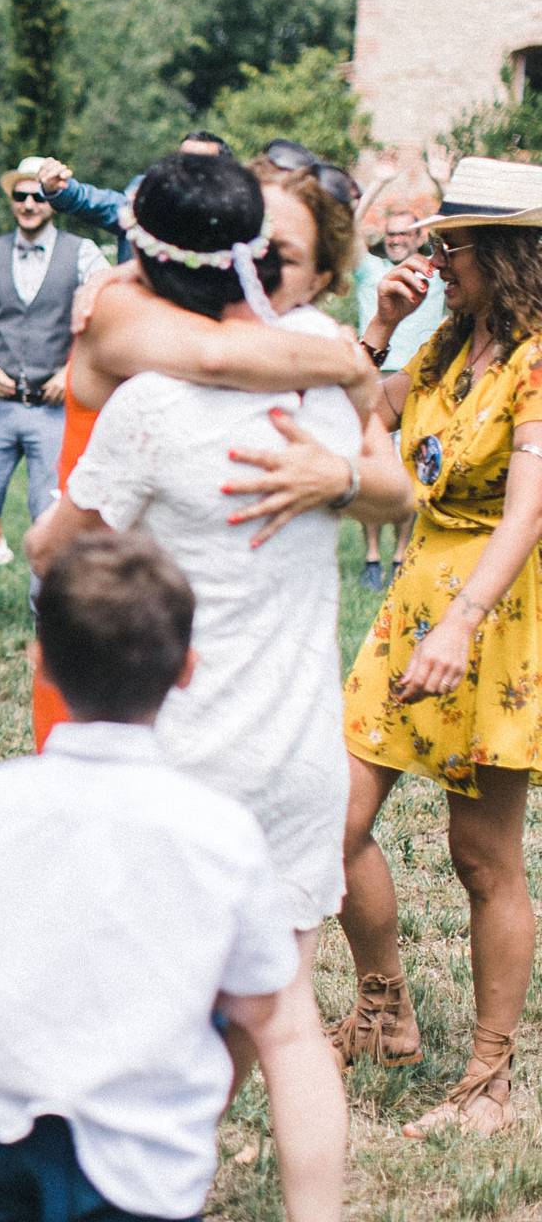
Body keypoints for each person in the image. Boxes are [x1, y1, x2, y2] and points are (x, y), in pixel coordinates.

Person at [28, 152, 414, 1217]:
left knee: (144, 1006)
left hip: (177, 753)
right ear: (250, 261)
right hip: (296, 757)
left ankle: (131, 1189)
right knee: (281, 1017)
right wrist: (341, 436)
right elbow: (392, 480)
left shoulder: (151, 405)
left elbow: (50, 546)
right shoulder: (324, 373)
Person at [0, 531, 313, 1222]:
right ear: (187, 669)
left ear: (41, 664)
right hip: (151, 1158)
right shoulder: (222, 832)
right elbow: (261, 1002)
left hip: (10, 1135)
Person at [333, 157, 542, 1138]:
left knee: (479, 857)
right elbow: (364, 421)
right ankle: (384, 1012)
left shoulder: (536, 359)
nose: (429, 257)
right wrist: (378, 323)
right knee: (327, 819)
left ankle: (489, 1081)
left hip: (491, 611)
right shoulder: (443, 345)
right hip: (412, 595)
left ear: (496, 252)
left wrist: (462, 622)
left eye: (444, 244)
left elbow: (526, 513)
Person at [0, 158, 109, 628]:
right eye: (21, 196)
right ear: (11, 202)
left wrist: (72, 372)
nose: (30, 204)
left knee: (49, 512)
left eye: (38, 195)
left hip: (53, 406)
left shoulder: (83, 251)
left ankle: (47, 612)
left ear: (52, 201)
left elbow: (107, 317)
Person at [352, 206, 444, 588]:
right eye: (390, 233)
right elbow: (349, 231)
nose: (396, 239)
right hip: (375, 382)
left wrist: (440, 181)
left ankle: (400, 554)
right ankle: (372, 556)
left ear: (419, 237)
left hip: (418, 385)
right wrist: (378, 184)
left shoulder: (436, 276)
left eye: (404, 233)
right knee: (370, 472)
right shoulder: (372, 272)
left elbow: (455, 232)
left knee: (410, 476)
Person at [36, 131, 233, 258]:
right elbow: (95, 202)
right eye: (182, 160)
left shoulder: (232, 219)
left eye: (199, 163)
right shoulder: (147, 198)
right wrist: (58, 188)